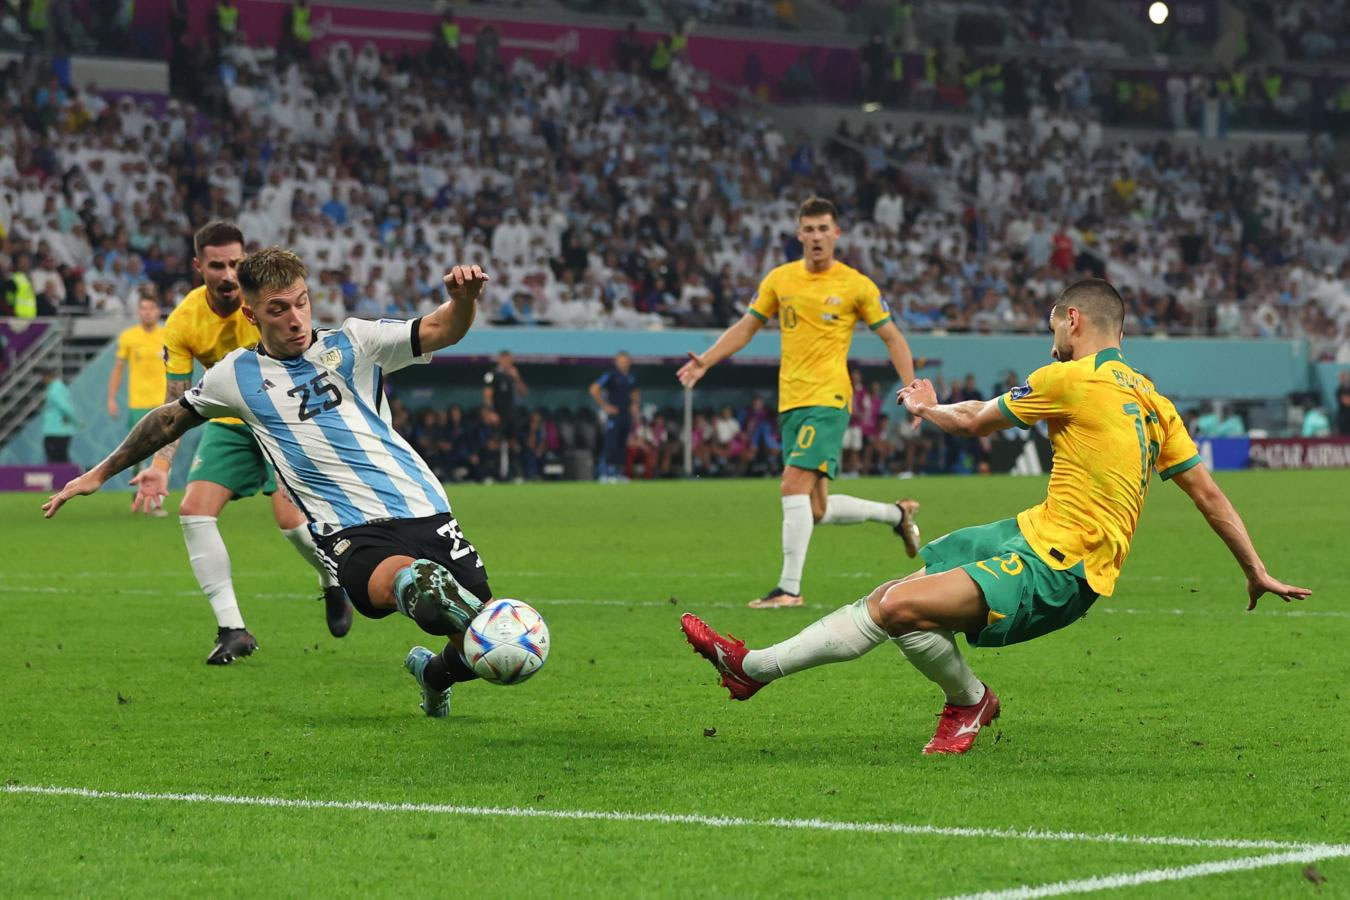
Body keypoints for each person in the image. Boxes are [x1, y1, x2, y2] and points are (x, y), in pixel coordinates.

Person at [681, 279, 1310, 755]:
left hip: (1059, 565)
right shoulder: (1154, 402)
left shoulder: (1069, 378)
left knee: (897, 608)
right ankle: (969, 702)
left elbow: (977, 420)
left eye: (1054, 327)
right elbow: (1209, 495)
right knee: (898, 599)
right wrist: (1255, 569)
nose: (1052, 339)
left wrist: (926, 408)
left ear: (1073, 319)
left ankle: (752, 669)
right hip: (1033, 533)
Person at [45, 251, 498, 720]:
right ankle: (400, 596)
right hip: (350, 533)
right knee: (422, 589)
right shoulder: (236, 376)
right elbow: (168, 419)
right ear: (252, 313)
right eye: (279, 309)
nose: (296, 319)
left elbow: (441, 328)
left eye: (301, 303)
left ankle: (433, 675)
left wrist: (464, 301)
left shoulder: (355, 341)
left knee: (492, 649)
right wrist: (99, 474)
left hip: (425, 508)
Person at [677, 196, 923, 609]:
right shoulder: (780, 280)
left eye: (824, 229)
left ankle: (789, 590)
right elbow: (746, 327)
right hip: (790, 400)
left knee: (791, 484)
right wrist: (707, 360)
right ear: (798, 234)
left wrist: (912, 388)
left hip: (828, 398)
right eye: (808, 229)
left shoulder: (856, 285)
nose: (816, 237)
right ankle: (898, 515)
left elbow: (893, 337)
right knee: (816, 508)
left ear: (836, 233)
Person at [135, 222, 352, 665]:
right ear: (199, 267)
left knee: (291, 523)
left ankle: (334, 579)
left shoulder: (266, 302)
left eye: (236, 262)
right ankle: (233, 629)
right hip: (230, 422)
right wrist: (160, 465)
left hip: (282, 421)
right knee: (194, 511)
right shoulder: (182, 323)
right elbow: (175, 401)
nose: (229, 274)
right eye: (217, 265)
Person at [107, 293, 167, 509]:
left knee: (162, 453)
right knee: (137, 452)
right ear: (138, 312)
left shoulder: (167, 334)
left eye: (151, 308)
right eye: (143, 308)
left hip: (163, 403)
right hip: (138, 404)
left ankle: (157, 502)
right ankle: (138, 491)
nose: (147, 312)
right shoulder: (129, 337)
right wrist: (112, 398)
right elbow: (118, 369)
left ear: (158, 311)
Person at [591, 351, 639, 483]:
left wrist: (635, 410)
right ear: (616, 362)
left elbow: (635, 394)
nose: (623, 363)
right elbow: (594, 389)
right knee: (611, 444)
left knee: (622, 445)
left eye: (625, 360)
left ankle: (618, 473)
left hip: (626, 415)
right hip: (614, 415)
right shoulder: (611, 375)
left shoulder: (631, 377)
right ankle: (605, 473)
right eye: (621, 360)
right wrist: (605, 406)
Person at [483, 349, 528, 480]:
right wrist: (491, 412)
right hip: (498, 413)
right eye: (505, 359)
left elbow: (523, 392)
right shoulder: (492, 374)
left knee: (513, 443)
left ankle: (515, 475)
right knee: (494, 443)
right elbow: (487, 394)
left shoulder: (512, 375)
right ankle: (490, 475)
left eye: (510, 359)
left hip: (512, 415)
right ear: (500, 359)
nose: (508, 362)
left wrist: (517, 378)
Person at [40, 368, 77, 463]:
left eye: (43, 378)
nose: (42, 381)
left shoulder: (56, 389)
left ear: (48, 377)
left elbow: (65, 407)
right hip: (57, 430)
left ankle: (67, 476)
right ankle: (67, 476)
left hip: (57, 431)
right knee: (59, 458)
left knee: (57, 458)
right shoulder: (56, 388)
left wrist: (74, 421)